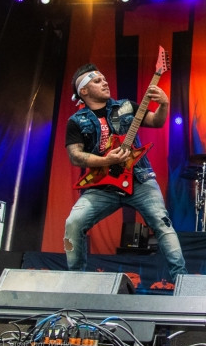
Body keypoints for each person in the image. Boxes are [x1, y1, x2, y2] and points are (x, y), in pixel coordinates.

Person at [64, 64, 187, 281]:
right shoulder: (76, 121)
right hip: (103, 185)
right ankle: (76, 281)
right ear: (83, 91)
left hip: (140, 179)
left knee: (162, 222)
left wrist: (164, 104)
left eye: (104, 78)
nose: (105, 82)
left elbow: (157, 122)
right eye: (97, 81)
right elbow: (75, 156)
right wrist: (105, 160)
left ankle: (182, 279)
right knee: (74, 223)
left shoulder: (127, 106)